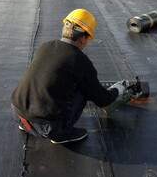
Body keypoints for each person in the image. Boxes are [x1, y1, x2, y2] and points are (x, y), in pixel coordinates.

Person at [10, 9, 126, 144]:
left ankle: (26, 125)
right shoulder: (79, 60)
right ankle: (61, 134)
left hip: (17, 113)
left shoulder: (45, 46)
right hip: (47, 128)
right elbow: (102, 100)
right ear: (83, 38)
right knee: (83, 88)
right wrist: (118, 89)